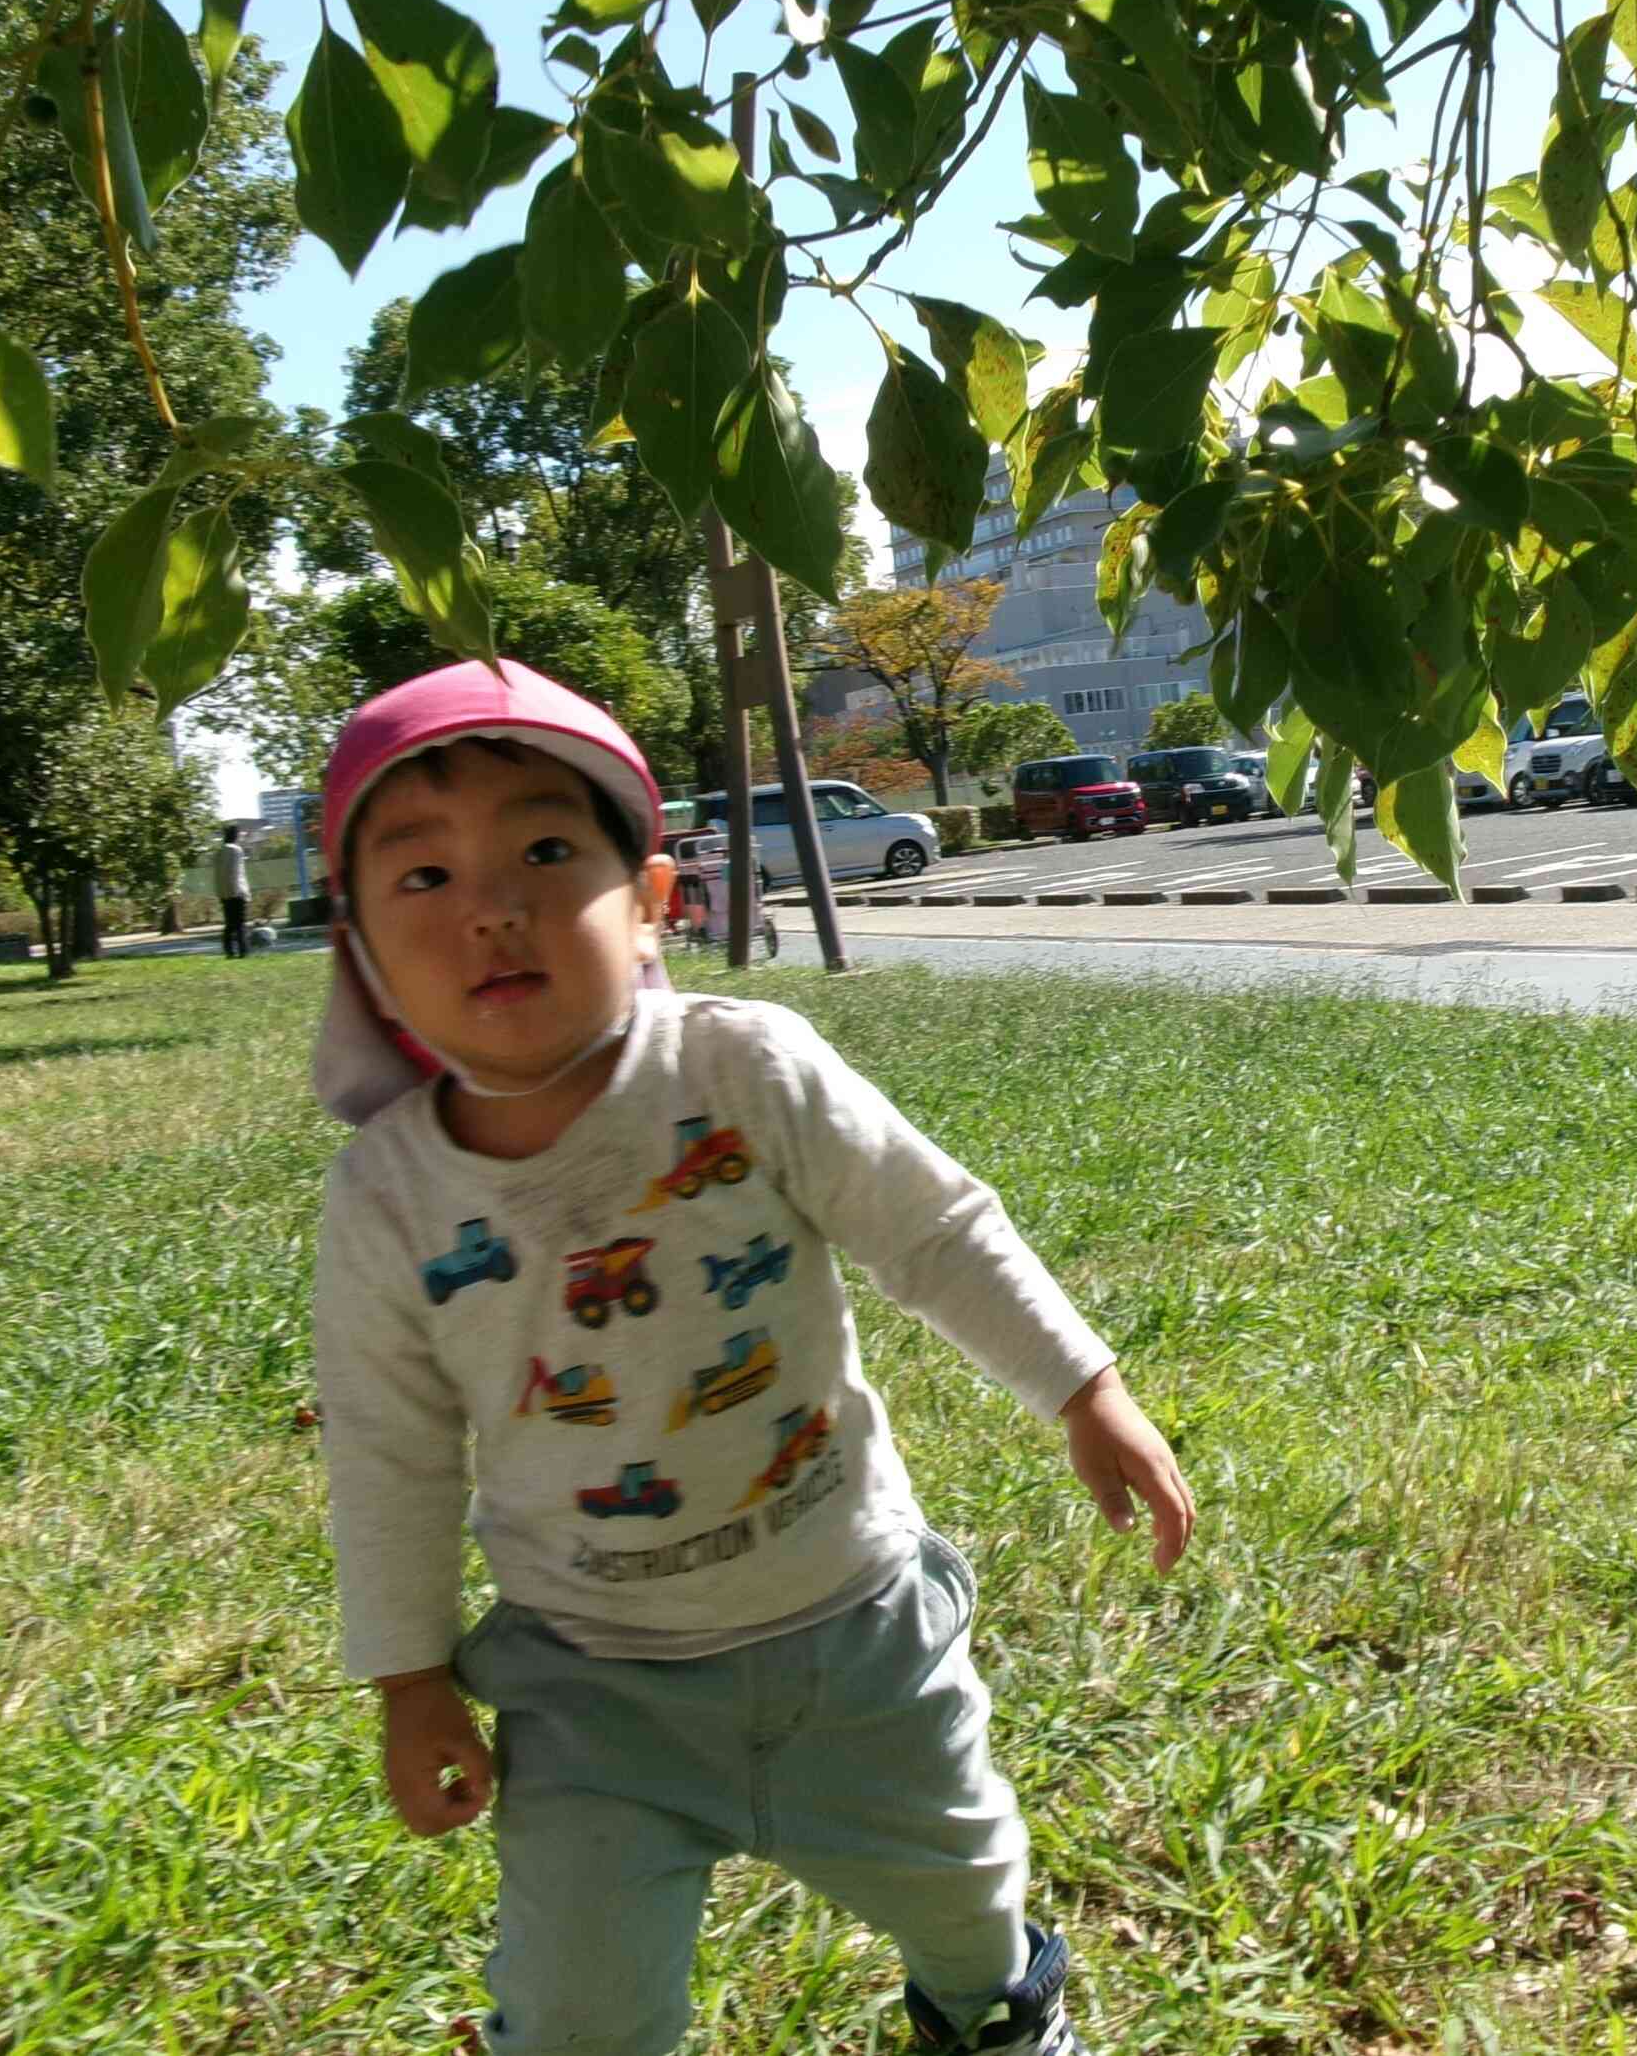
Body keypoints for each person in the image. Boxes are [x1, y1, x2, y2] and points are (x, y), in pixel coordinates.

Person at [306, 658, 1195, 2056]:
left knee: (964, 1894)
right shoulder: (386, 1201)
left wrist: (1082, 1385)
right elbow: (388, 1450)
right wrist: (410, 1676)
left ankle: (995, 2010)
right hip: (591, 1689)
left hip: (853, 1636)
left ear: (653, 898)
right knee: (575, 2008)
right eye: (421, 879)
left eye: (547, 850)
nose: (491, 906)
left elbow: (933, 1230)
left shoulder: (744, 1072)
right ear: (357, 948)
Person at [209, 821, 251, 959]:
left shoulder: (219, 851)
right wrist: (242, 892)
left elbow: (217, 874)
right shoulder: (236, 850)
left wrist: (221, 892)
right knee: (240, 924)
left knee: (229, 924)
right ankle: (243, 951)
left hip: (224, 892)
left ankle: (229, 952)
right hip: (237, 891)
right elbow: (236, 873)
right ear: (236, 835)